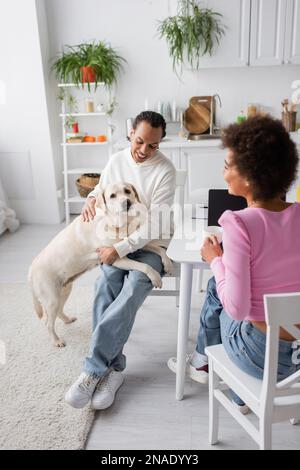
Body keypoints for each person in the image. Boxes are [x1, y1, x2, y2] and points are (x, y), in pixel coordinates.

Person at [168, 115, 300, 414]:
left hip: (261, 358)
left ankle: (203, 361)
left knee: (218, 284)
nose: (223, 173)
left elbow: (237, 309)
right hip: (299, 359)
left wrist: (216, 260)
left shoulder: (238, 222)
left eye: (228, 166)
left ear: (251, 176)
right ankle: (236, 390)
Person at [65, 111, 176, 409]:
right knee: (105, 285)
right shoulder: (116, 160)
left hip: (151, 245)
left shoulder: (165, 170)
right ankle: (114, 369)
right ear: (130, 133)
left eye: (152, 145)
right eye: (139, 141)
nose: (143, 150)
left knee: (131, 291)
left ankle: (93, 370)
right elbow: (102, 189)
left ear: (160, 143)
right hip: (116, 239)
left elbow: (155, 224)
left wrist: (121, 249)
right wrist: (91, 198)